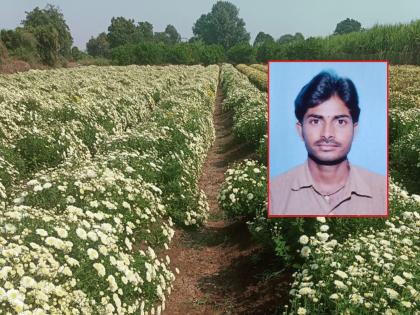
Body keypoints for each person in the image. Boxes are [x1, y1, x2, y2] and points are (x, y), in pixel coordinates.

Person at [269, 70, 386, 216]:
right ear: (300, 130)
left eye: (340, 121)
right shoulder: (274, 194)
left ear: (354, 130)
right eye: (316, 121)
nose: (327, 134)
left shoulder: (383, 192)